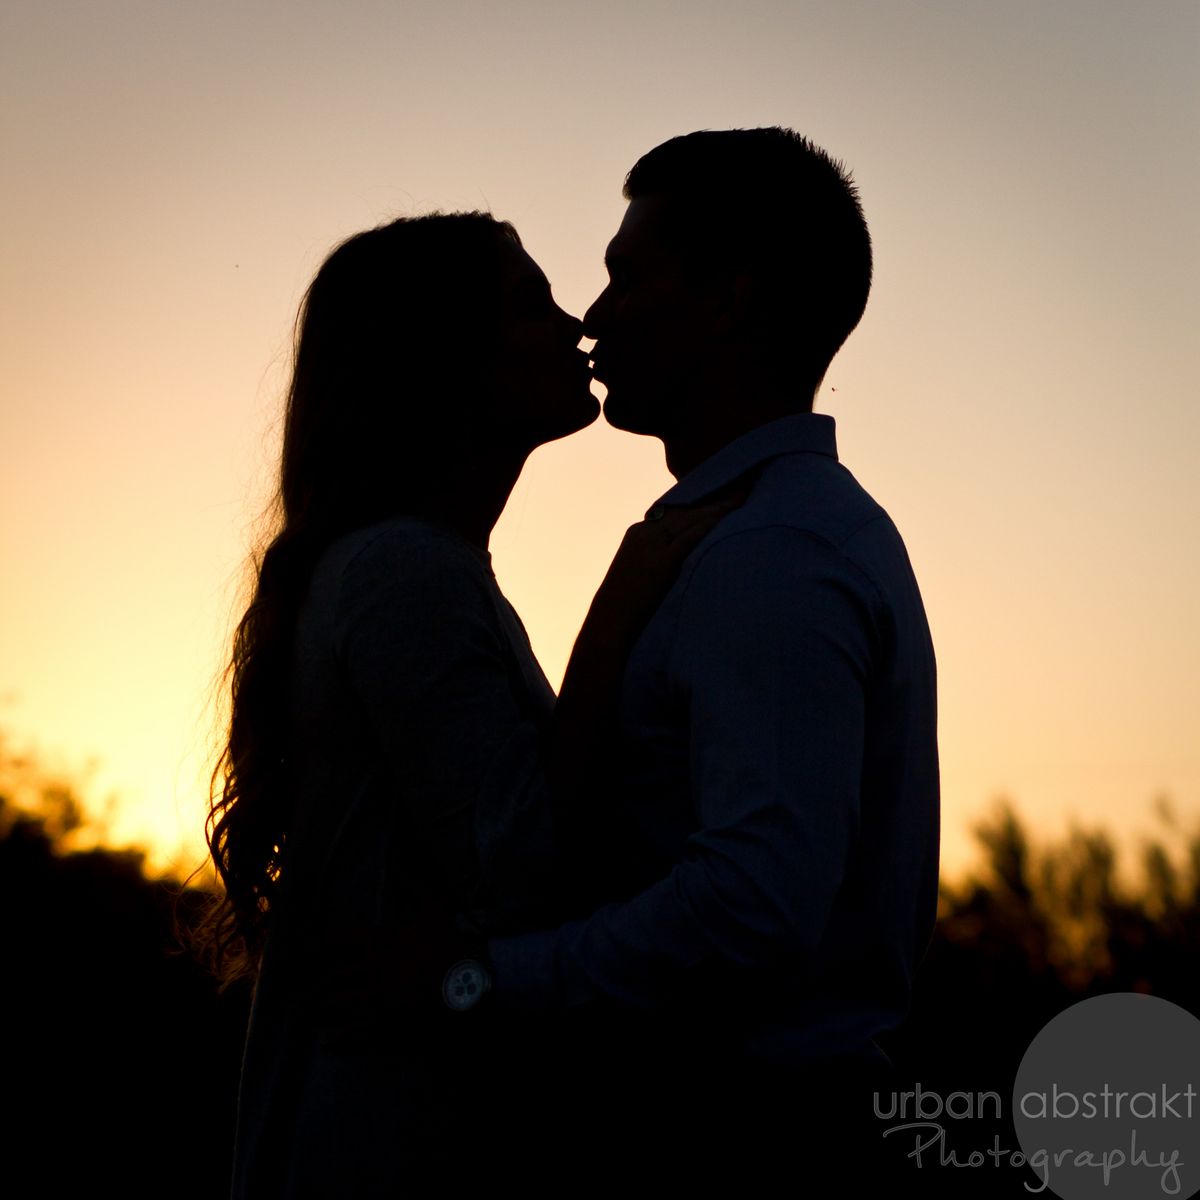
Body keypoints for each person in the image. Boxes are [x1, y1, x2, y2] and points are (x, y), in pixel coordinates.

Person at [398, 129, 941, 1184]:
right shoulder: (759, 535)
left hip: (741, 1136)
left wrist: (476, 981)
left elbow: (754, 903)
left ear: (728, 302)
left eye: (625, 278)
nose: (594, 319)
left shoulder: (770, 556)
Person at [196, 211, 731, 1197]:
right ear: (445, 357)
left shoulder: (428, 571)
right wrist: (613, 625)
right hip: (383, 1150)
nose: (576, 324)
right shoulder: (406, 575)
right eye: (532, 305)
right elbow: (519, 863)